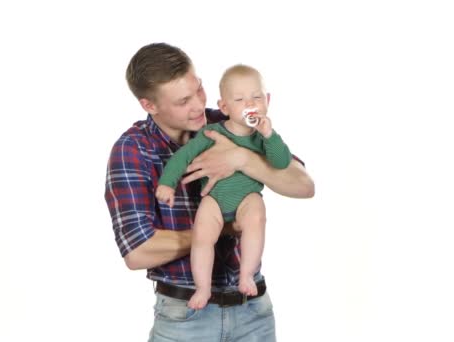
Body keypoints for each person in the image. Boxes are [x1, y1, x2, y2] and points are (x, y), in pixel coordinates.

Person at [105, 43, 314, 341]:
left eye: (199, 90)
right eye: (183, 101)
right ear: (149, 105)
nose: (197, 105)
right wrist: (221, 228)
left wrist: (243, 159)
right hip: (186, 317)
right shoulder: (133, 150)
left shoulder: (228, 122)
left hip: (254, 309)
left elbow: (304, 185)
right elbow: (138, 251)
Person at [155, 64, 292, 310]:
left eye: (257, 97)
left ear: (268, 101)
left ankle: (246, 274)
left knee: (256, 217)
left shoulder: (263, 136)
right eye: (239, 99)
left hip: (247, 197)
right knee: (202, 236)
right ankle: (203, 287)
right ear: (224, 107)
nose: (250, 103)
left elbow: (281, 162)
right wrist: (167, 183)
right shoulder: (211, 132)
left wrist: (270, 135)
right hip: (215, 199)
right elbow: (182, 157)